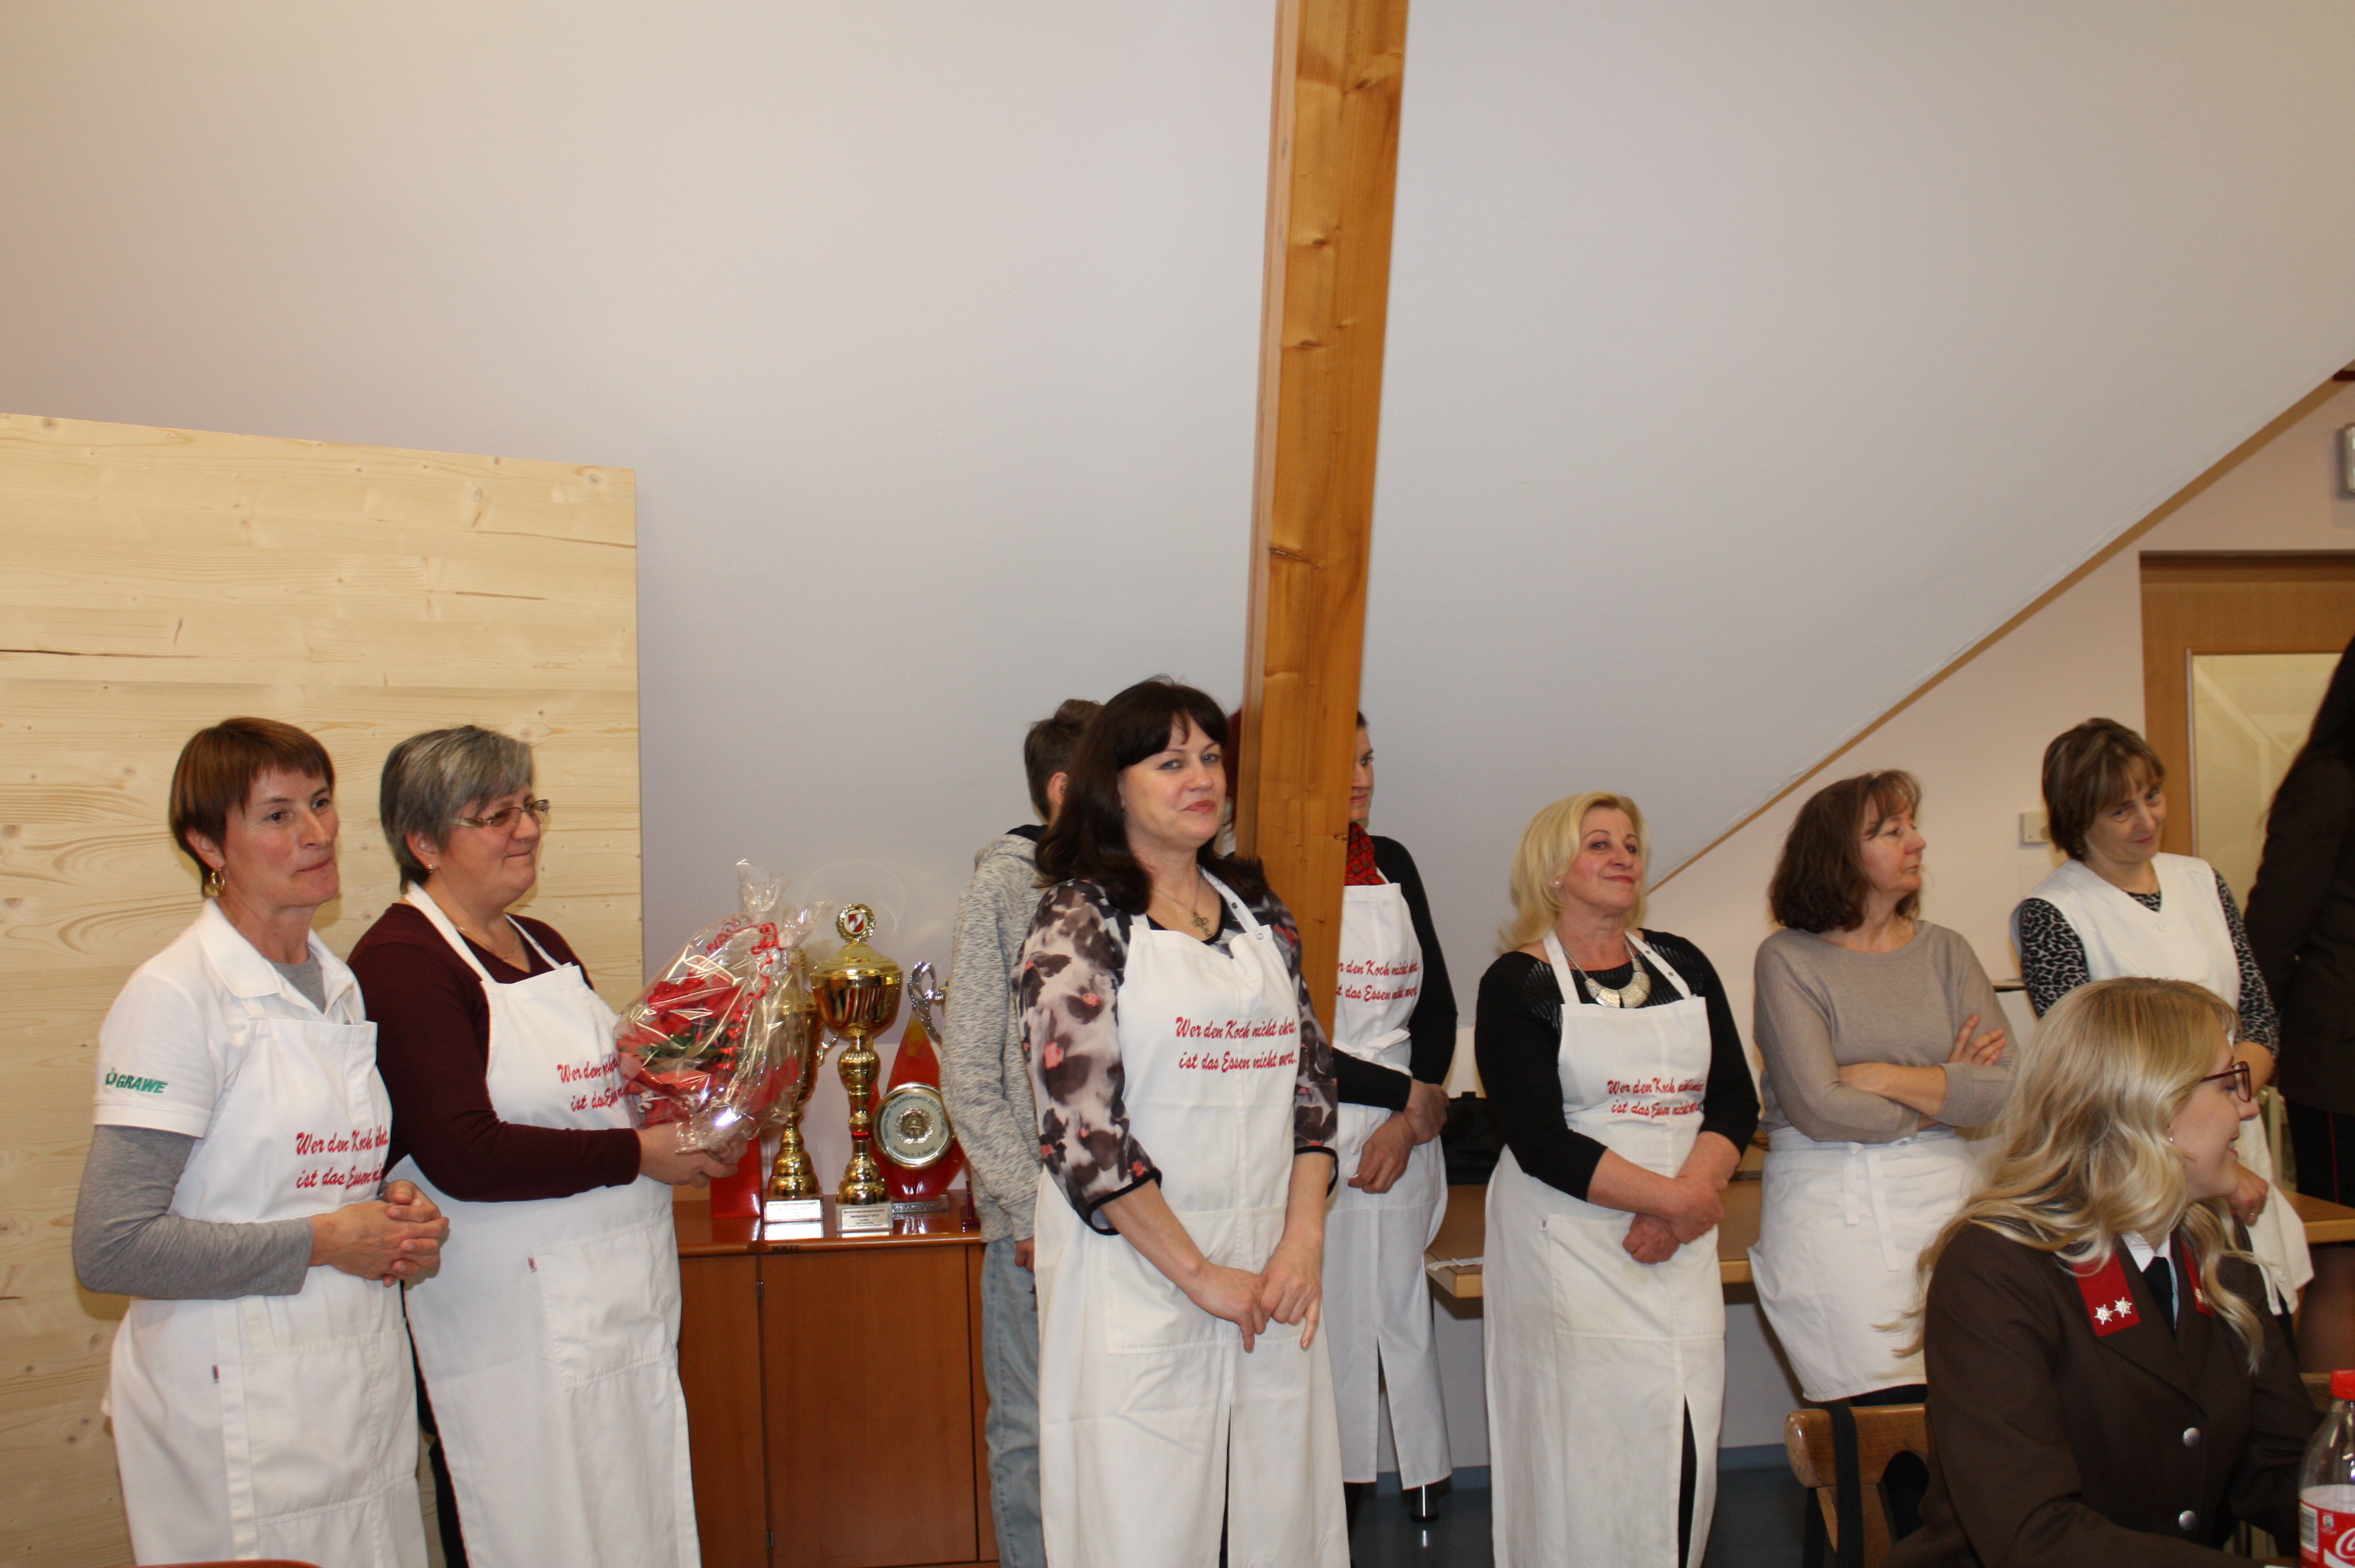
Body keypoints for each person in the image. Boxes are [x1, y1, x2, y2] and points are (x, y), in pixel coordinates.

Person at [349, 725, 736, 1568]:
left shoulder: (544, 945)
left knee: (629, 1520)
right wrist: (640, 1155)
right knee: (531, 1530)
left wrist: (683, 1088)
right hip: (506, 1332)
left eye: (530, 806)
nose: (526, 829)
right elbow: (464, 1153)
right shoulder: (403, 962)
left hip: (612, 1308)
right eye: (496, 815)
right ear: (423, 842)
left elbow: (595, 1100)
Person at [73, 717, 447, 1566]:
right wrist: (326, 1239)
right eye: (278, 815)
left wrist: (396, 1217)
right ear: (208, 844)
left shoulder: (338, 985)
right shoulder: (176, 997)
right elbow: (111, 1245)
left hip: (351, 1387)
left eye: (320, 802)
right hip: (230, 1406)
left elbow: (307, 1178)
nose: (316, 832)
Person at [1020, 677, 1346, 1568]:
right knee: (1144, 1526)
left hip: (1273, 1274)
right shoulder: (1078, 919)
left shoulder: (1258, 911)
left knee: (1283, 1515)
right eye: (1170, 762)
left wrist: (1302, 1241)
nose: (1201, 776)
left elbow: (1313, 1089)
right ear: (1114, 787)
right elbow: (1083, 1133)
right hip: (1139, 1273)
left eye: (1209, 756)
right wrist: (1200, 1276)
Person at [1884, 977, 2318, 1566]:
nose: (2248, 1105)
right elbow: (2032, 1536)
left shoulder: (2214, 1244)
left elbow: (2279, 1467)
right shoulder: (1997, 1267)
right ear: (2154, 1109)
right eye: (2227, 1083)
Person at [1474, 792, 1759, 1568]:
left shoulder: (1683, 963)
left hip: (1678, 1241)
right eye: (1598, 843)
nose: (1622, 857)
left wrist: (1684, 1203)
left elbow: (1735, 1099)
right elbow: (1539, 1140)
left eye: (1630, 844)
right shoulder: (1517, 983)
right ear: (1551, 870)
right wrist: (1678, 1201)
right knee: (1580, 1460)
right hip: (1569, 1251)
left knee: (1684, 1442)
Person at [2014, 717, 2310, 1313]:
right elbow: (2096, 1071)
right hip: (2145, 1165)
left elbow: (2256, 1015)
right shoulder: (2053, 912)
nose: (2147, 821)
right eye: (2121, 810)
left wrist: (2230, 1103)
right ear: (2077, 818)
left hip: (2239, 1135)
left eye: (2152, 797)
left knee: (2266, 1320)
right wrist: (2208, 1144)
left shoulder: (2201, 880)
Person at [1749, 772, 2010, 1410]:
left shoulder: (1948, 951)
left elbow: (2001, 1088)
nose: (1917, 842)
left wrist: (1882, 1077)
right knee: (1870, 1420)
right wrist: (1943, 1089)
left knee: (1970, 1411)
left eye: (1911, 827)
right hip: (1835, 1208)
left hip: (1948, 1200)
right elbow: (1819, 1108)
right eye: (1892, 832)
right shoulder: (1788, 959)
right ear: (1840, 855)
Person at [941, 694, 1097, 1568]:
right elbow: (970, 1071)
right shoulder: (1002, 887)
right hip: (1029, 1229)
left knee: (1115, 1436)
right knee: (1031, 1437)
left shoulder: (1134, 890)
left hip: (1127, 1218)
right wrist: (1030, 1205)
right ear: (1065, 790)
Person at [1320, 714, 1455, 1518]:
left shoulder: (1392, 861)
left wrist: (1410, 1118)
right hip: (1322, 1121)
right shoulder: (1265, 875)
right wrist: (1400, 1098)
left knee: (1404, 1307)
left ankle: (1428, 1479)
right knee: (1332, 1310)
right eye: (1344, 764)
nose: (1362, 779)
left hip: (1406, 1123)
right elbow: (1290, 1034)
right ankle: (1339, 1485)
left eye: (1368, 760)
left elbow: (1437, 1007)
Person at [2247, 631, 2355, 1372]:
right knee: (2345, 1262)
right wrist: (2261, 1041)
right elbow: (2272, 928)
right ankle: (2336, 1428)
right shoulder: (2331, 780)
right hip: (2340, 1064)